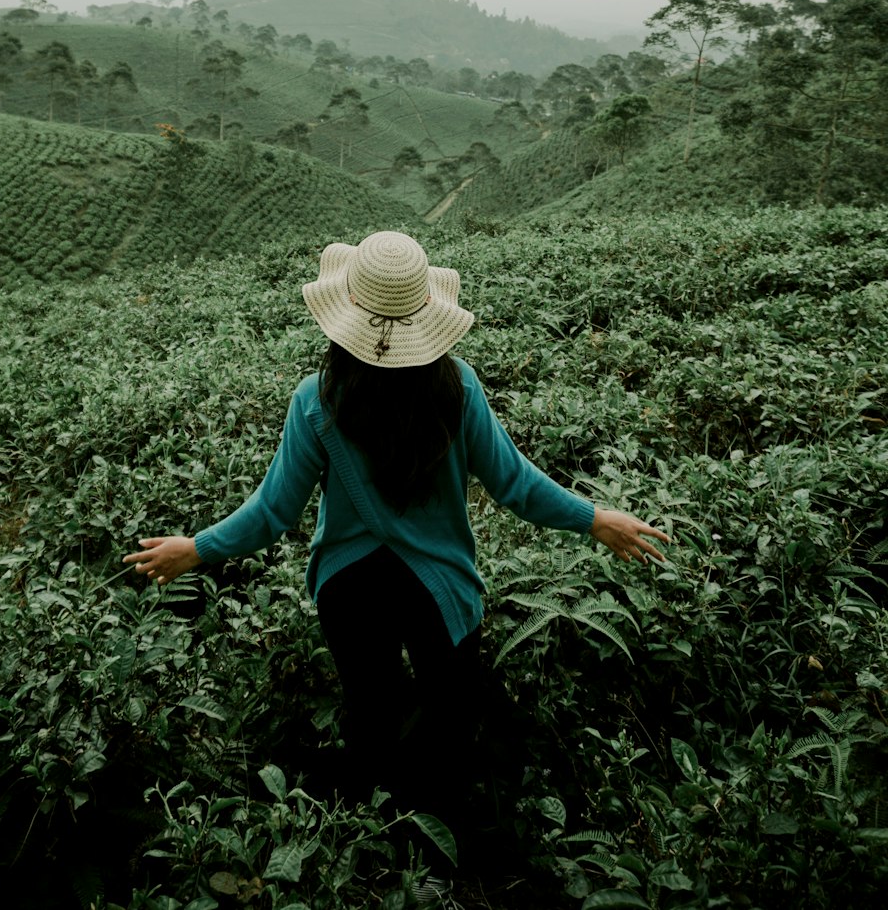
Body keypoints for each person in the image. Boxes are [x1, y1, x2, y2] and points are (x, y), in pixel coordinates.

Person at [124, 231, 668, 901]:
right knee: (449, 721)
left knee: (370, 713)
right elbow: (515, 485)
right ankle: (440, 855)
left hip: (349, 587)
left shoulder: (316, 400)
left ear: (345, 308)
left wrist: (195, 548)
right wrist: (598, 519)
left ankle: (368, 850)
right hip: (437, 589)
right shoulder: (457, 389)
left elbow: (271, 514)